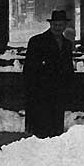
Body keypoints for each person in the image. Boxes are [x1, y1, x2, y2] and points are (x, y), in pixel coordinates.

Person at [23, 9, 75, 138]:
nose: (58, 28)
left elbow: (68, 66)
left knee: (56, 126)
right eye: (55, 25)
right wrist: (32, 89)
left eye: (61, 25)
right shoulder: (37, 41)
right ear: (50, 25)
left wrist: (69, 86)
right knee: (42, 126)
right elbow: (29, 69)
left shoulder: (67, 44)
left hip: (59, 91)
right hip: (41, 90)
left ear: (65, 26)